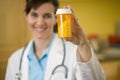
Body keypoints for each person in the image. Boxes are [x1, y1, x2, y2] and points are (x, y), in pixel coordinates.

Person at [5, 0, 105, 80]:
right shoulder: (15, 59)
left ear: (56, 19)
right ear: (26, 17)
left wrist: (83, 44)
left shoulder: (73, 52)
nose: (40, 23)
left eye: (47, 15)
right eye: (34, 15)